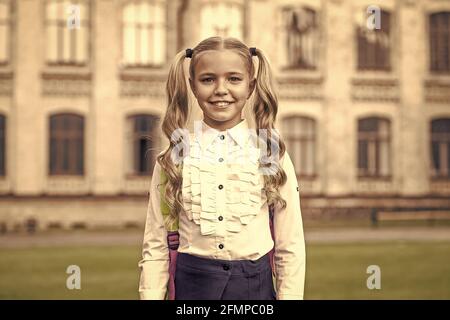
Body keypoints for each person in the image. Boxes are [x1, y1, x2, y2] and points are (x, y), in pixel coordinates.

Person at [138, 36, 306, 300]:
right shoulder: (172, 158)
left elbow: (290, 245)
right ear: (192, 86)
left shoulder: (271, 154)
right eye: (208, 79)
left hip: (255, 293)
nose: (220, 89)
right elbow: (156, 246)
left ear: (250, 86)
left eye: (234, 79)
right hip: (191, 293)